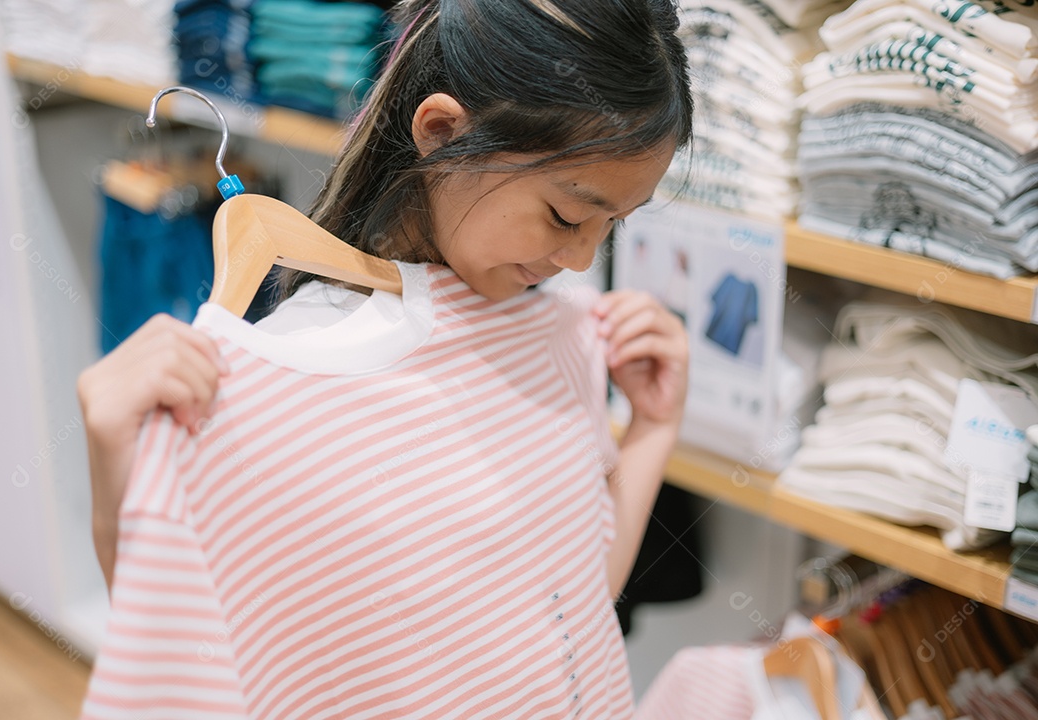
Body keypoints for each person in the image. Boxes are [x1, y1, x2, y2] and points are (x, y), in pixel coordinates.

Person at [77, 0, 692, 713]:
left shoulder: (549, 338)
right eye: (566, 215)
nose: (584, 259)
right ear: (440, 132)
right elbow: (185, 674)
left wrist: (652, 431)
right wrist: (120, 489)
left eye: (613, 224)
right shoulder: (261, 405)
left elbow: (572, 615)